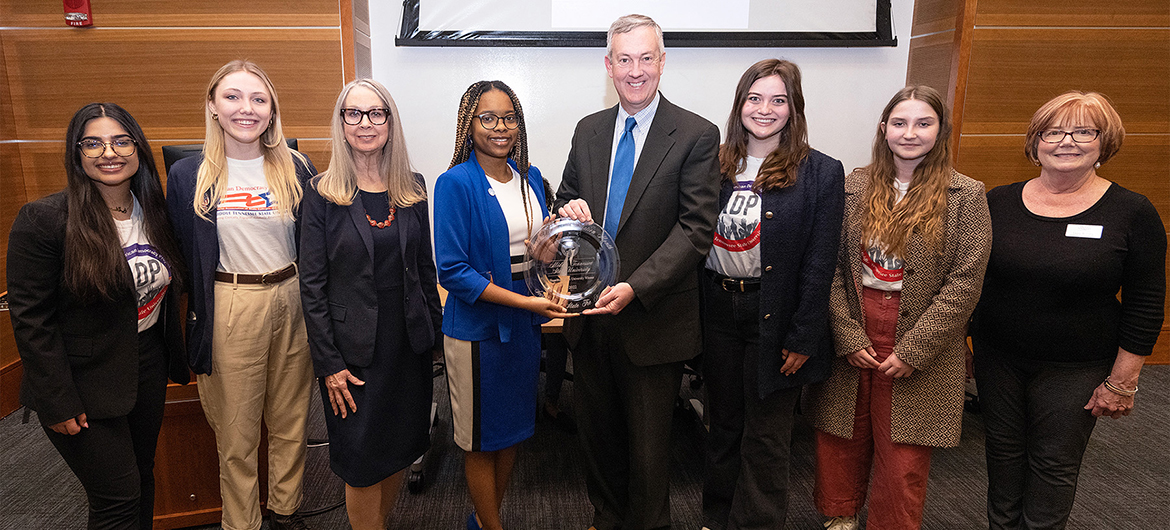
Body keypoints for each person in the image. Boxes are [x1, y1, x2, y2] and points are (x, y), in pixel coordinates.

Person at [555, 14, 721, 530]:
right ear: (609, 65)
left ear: (662, 62)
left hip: (651, 321)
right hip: (589, 320)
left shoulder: (695, 134)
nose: (634, 70)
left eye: (645, 58)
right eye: (623, 59)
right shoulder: (589, 130)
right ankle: (606, 520)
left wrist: (634, 286)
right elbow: (563, 202)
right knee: (598, 445)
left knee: (648, 458)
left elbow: (696, 230)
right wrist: (570, 209)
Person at [971, 91, 1166, 530]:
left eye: (1083, 131)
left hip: (1077, 366)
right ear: (1035, 141)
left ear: (1104, 142)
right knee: (1002, 457)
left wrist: (1123, 381)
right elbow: (972, 280)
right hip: (997, 357)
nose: (1066, 141)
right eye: (1053, 131)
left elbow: (1146, 301)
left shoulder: (1132, 212)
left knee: (1052, 466)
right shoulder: (997, 201)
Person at [804, 85, 992, 530]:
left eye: (923, 123)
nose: (910, 133)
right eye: (900, 122)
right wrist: (846, 332)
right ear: (883, 128)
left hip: (921, 329)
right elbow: (824, 264)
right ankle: (840, 515)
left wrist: (915, 350)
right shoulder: (853, 185)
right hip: (854, 318)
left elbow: (965, 281)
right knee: (840, 433)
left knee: (904, 448)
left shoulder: (966, 195)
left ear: (940, 131)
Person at [7, 102, 189, 529]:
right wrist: (58, 400)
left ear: (138, 149)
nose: (110, 152)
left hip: (144, 366)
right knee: (117, 498)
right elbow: (32, 319)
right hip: (81, 381)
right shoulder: (45, 220)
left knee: (141, 481)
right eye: (93, 143)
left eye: (121, 141)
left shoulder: (155, 212)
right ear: (76, 153)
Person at [166, 60, 316, 530]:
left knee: (292, 424)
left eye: (258, 99)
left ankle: (286, 514)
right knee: (237, 435)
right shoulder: (190, 175)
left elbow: (315, 242)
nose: (245, 108)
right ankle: (243, 524)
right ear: (212, 106)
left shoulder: (297, 167)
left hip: (292, 296)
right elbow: (181, 253)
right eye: (232, 97)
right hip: (231, 302)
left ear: (271, 112)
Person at [700, 59, 844, 530]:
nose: (765, 109)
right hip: (718, 308)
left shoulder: (821, 172)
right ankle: (716, 519)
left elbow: (820, 262)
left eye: (778, 100)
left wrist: (804, 336)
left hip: (776, 317)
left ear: (793, 107)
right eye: (755, 98)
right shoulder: (713, 162)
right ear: (740, 104)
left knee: (766, 437)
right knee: (722, 426)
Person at [298, 79, 442, 530]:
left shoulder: (412, 187)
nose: (366, 123)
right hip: (352, 354)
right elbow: (312, 285)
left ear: (390, 122)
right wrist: (328, 363)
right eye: (354, 113)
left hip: (407, 346)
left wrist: (434, 338)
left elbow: (425, 268)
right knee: (361, 461)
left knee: (401, 447)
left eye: (377, 113)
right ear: (341, 125)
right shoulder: (321, 193)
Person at [433, 80, 573, 530]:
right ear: (468, 124)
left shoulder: (530, 177)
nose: (500, 127)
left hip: (524, 323)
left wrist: (552, 245)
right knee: (479, 441)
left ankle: (483, 520)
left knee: (512, 432)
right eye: (487, 118)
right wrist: (526, 303)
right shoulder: (455, 183)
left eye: (509, 117)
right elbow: (452, 271)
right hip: (478, 330)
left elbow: (536, 253)